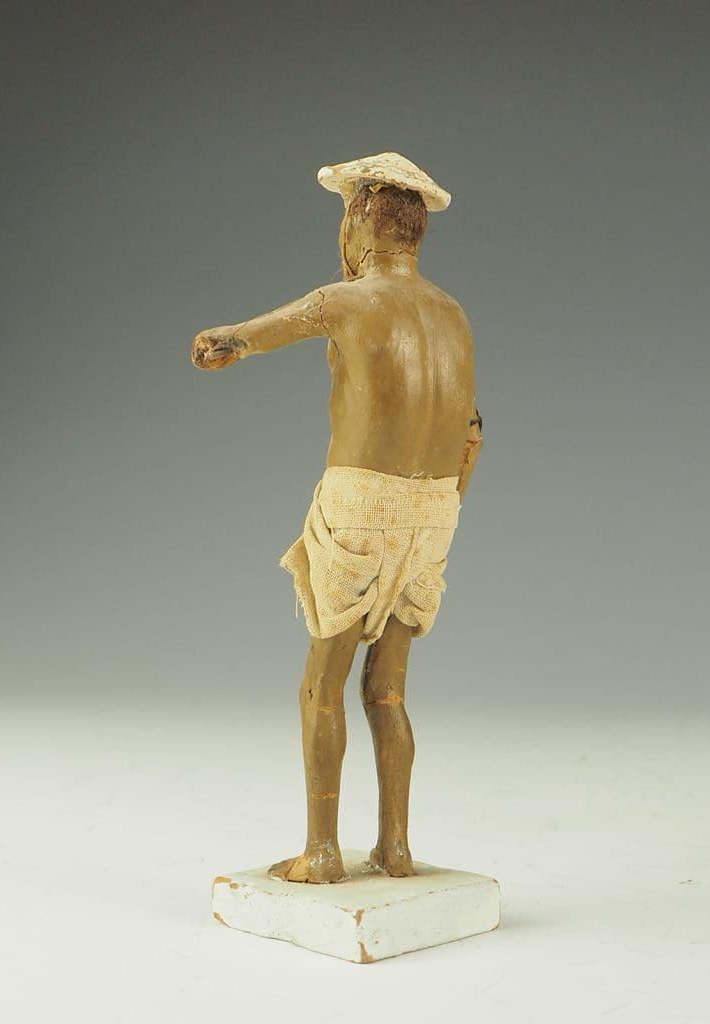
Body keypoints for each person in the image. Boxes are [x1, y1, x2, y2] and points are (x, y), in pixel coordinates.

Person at [192, 153, 483, 883]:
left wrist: (221, 342)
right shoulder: (453, 315)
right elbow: (474, 430)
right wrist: (443, 509)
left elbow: (251, 334)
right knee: (389, 690)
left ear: (359, 223)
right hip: (436, 507)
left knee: (323, 683)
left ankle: (322, 853)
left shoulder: (345, 301)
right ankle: (395, 848)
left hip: (360, 502)